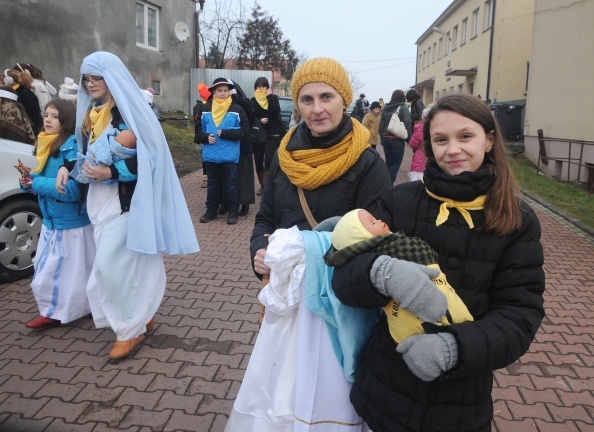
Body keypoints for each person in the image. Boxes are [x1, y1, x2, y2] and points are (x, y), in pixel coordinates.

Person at [332, 93, 545, 432]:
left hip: (459, 405)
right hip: (384, 389)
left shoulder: (516, 219)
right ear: (429, 146)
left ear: (489, 140)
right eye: (441, 139)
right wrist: (379, 273)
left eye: (466, 136)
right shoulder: (399, 200)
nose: (453, 149)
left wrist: (455, 349)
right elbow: (343, 278)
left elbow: (520, 315)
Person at [235, 57, 391, 431]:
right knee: (280, 395)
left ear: (345, 100)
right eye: (306, 99)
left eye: (327, 97)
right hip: (287, 302)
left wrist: (310, 254)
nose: (317, 109)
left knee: (331, 402)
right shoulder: (283, 157)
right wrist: (260, 252)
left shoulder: (368, 164)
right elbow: (266, 220)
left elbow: (380, 240)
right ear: (297, 104)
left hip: (338, 308)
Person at [57, 51, 199, 359]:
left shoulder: (129, 112)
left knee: (110, 265)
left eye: (97, 78)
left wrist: (111, 171)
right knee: (134, 259)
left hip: (127, 201)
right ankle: (144, 312)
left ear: (112, 78)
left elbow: (150, 158)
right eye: (87, 79)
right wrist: (67, 166)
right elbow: (77, 148)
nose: (91, 84)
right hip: (97, 200)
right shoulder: (90, 113)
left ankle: (129, 330)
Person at [326, 208, 473, 345]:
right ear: (363, 239)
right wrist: (380, 272)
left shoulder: (395, 240)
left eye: (375, 219)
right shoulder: (380, 250)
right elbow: (343, 281)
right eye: (372, 222)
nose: (380, 221)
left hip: (459, 314)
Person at [20, 99, 94, 329]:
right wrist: (27, 182)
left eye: (54, 116)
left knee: (55, 272)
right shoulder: (46, 144)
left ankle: (55, 311)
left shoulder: (71, 148)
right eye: (46, 115)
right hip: (54, 221)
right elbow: (40, 179)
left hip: (70, 223)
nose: (48, 120)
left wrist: (36, 182)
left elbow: (70, 189)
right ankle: (62, 310)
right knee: (67, 272)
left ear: (67, 120)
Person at [195, 77, 249, 225]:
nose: (223, 93)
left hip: (229, 155)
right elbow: (198, 131)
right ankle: (211, 211)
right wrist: (205, 137)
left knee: (230, 184)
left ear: (230, 92)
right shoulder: (205, 109)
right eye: (220, 90)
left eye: (226, 90)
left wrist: (225, 133)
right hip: (210, 154)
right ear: (214, 92)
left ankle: (233, 212)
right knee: (212, 184)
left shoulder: (237, 109)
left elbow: (244, 131)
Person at [251, 77, 283, 196]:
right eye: (259, 87)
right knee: (258, 161)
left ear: (267, 87)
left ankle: (267, 187)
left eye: (263, 86)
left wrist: (270, 97)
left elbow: (276, 112)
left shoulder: (273, 98)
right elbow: (251, 118)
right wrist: (260, 120)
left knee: (269, 160)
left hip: (272, 133)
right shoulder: (252, 101)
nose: (261, 89)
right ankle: (262, 185)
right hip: (258, 134)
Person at [70, 129, 137, 184]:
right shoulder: (88, 125)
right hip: (95, 183)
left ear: (121, 143)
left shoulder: (123, 117)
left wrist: (110, 171)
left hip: (113, 185)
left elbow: (104, 156)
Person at [379, 89, 413, 183]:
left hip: (386, 138)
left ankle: (384, 184)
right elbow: (408, 123)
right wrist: (409, 138)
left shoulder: (386, 108)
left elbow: (381, 125)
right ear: (403, 97)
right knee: (396, 163)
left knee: (389, 162)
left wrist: (382, 139)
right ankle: (389, 185)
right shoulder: (403, 107)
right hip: (397, 140)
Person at [5, 68, 43, 134]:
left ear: (9, 81)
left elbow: (35, 117)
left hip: (31, 133)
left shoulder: (24, 94)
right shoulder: (21, 92)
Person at [408, 104, 433, 181]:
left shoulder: (420, 129)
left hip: (421, 159)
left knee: (417, 181)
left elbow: (413, 143)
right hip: (433, 160)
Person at [194, 82, 212, 189]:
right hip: (202, 138)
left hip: (212, 136)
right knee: (204, 158)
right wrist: (199, 138)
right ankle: (205, 178)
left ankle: (212, 177)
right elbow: (197, 123)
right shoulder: (199, 107)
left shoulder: (212, 104)